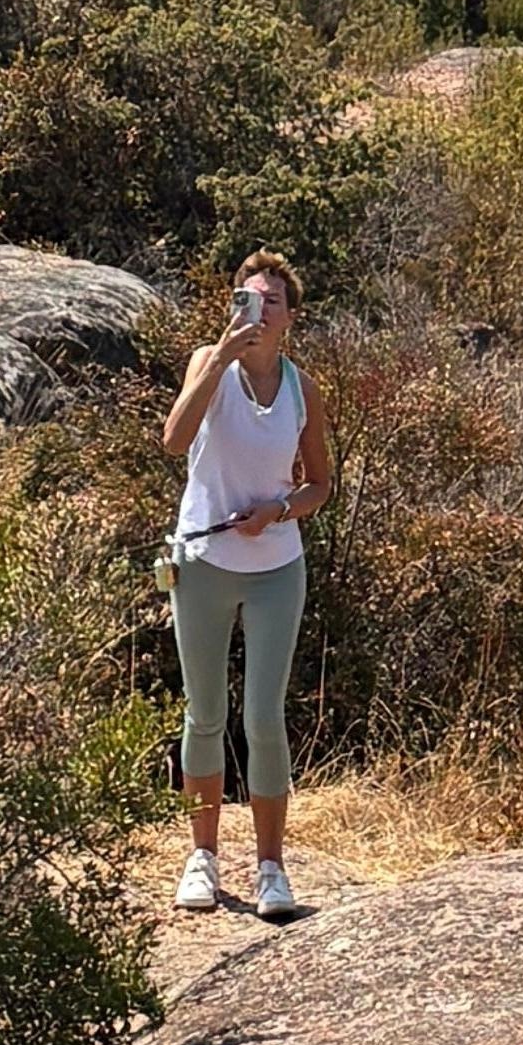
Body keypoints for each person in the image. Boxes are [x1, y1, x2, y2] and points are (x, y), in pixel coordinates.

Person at [160, 247, 332, 921]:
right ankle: (202, 857)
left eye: (271, 303)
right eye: (247, 300)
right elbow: (175, 440)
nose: (258, 313)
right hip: (203, 563)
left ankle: (271, 868)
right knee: (204, 713)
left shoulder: (301, 388)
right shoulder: (209, 362)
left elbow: (319, 485)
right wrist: (221, 360)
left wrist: (278, 511)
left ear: (290, 318)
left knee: (263, 717)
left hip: (275, 570)